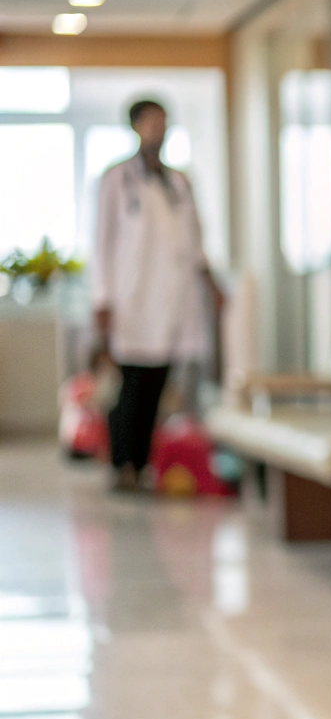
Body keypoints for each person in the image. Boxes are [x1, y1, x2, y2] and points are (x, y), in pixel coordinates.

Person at [90, 99, 220, 492]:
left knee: (158, 387)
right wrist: (102, 300)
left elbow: (194, 239)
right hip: (132, 299)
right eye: (150, 123)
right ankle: (122, 465)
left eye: (162, 123)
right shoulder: (115, 180)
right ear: (134, 127)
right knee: (130, 387)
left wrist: (212, 283)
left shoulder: (179, 182)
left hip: (171, 300)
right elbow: (100, 243)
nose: (157, 130)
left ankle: (143, 465)